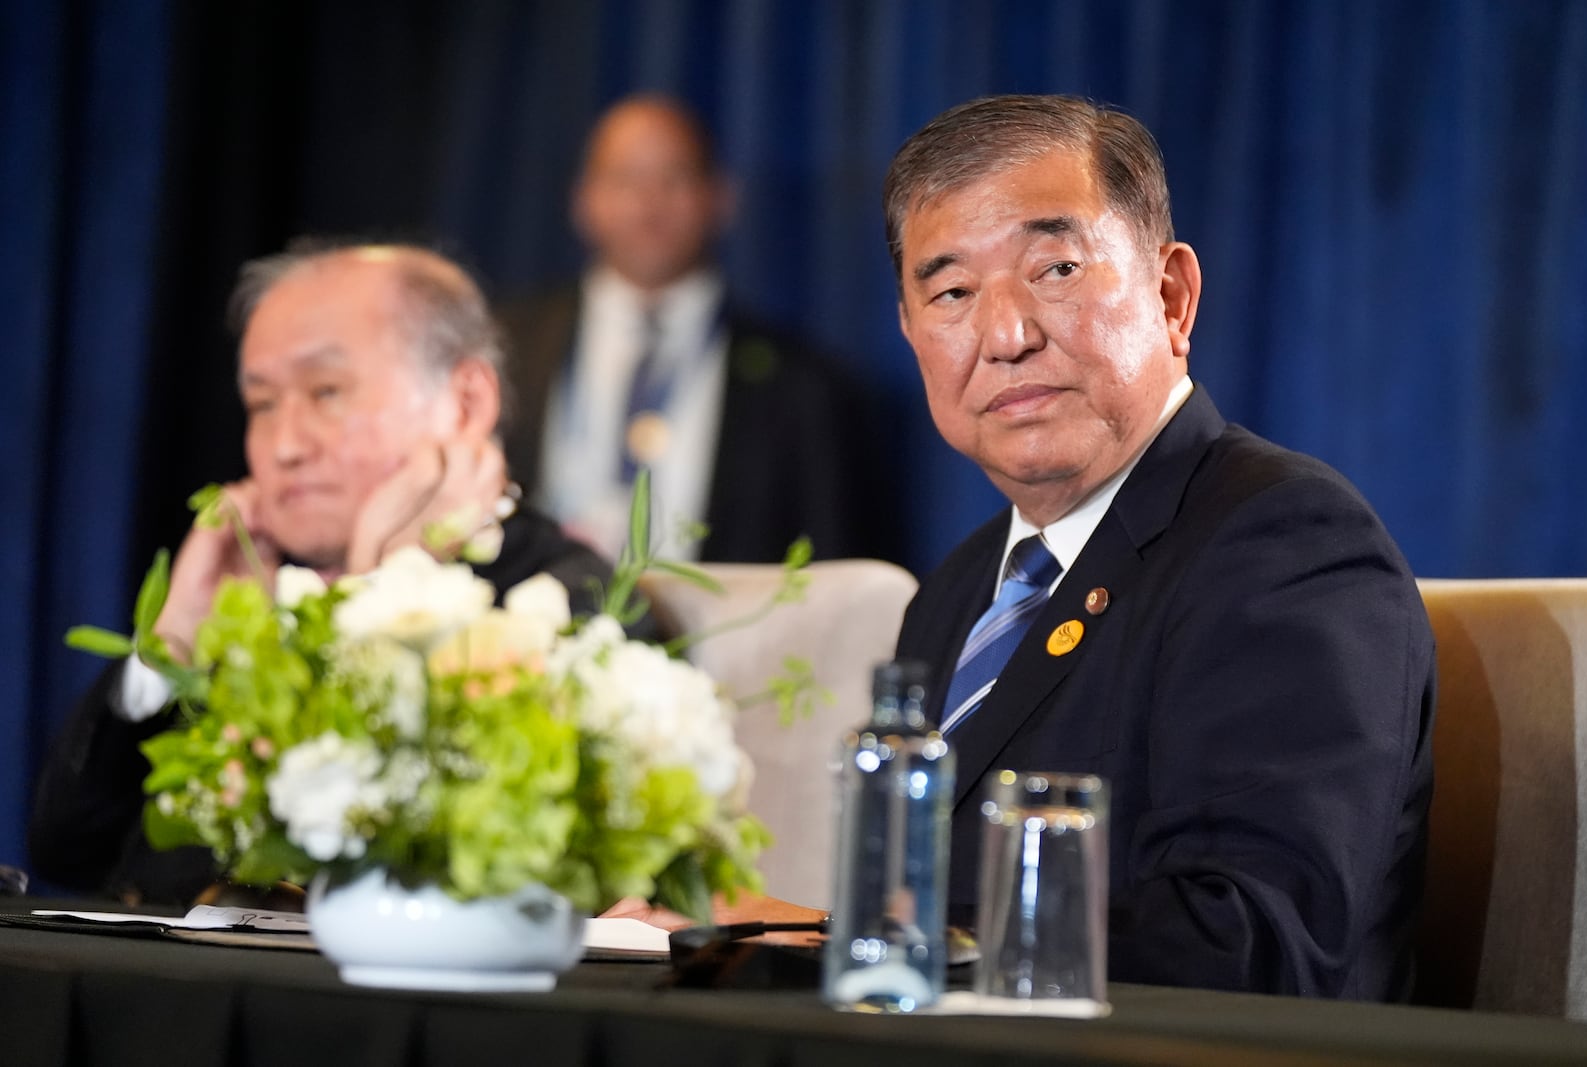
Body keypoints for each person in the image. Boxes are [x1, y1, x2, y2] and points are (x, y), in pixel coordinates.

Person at [887, 96, 1435, 1000]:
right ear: (912, 334)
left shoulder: (1286, 544)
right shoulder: (951, 595)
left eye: (1054, 268)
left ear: (1171, 296)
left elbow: (1250, 946)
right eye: (950, 293)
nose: (1007, 335)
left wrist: (850, 933)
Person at [29, 243, 614, 906]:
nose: (285, 445)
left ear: (465, 402)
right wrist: (171, 649)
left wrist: (384, 594)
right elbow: (66, 854)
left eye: (326, 392)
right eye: (262, 404)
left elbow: (417, 878)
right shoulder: (261, 590)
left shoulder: (566, 600)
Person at [498, 94, 883, 564]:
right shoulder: (504, 349)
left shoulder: (804, 387)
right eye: (624, 178)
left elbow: (835, 576)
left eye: (673, 178)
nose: (648, 202)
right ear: (584, 199)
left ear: (720, 198)